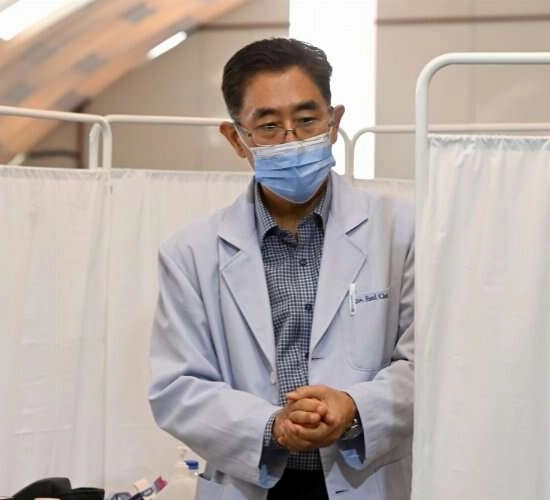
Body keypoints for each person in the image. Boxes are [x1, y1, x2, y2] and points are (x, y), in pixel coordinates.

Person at [148, 38, 414, 500]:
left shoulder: (403, 231)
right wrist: (272, 427)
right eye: (269, 126)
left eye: (307, 120)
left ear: (334, 123)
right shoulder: (190, 252)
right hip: (252, 480)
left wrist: (353, 408)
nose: (291, 140)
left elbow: (426, 364)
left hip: (364, 473)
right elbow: (177, 387)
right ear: (237, 138)